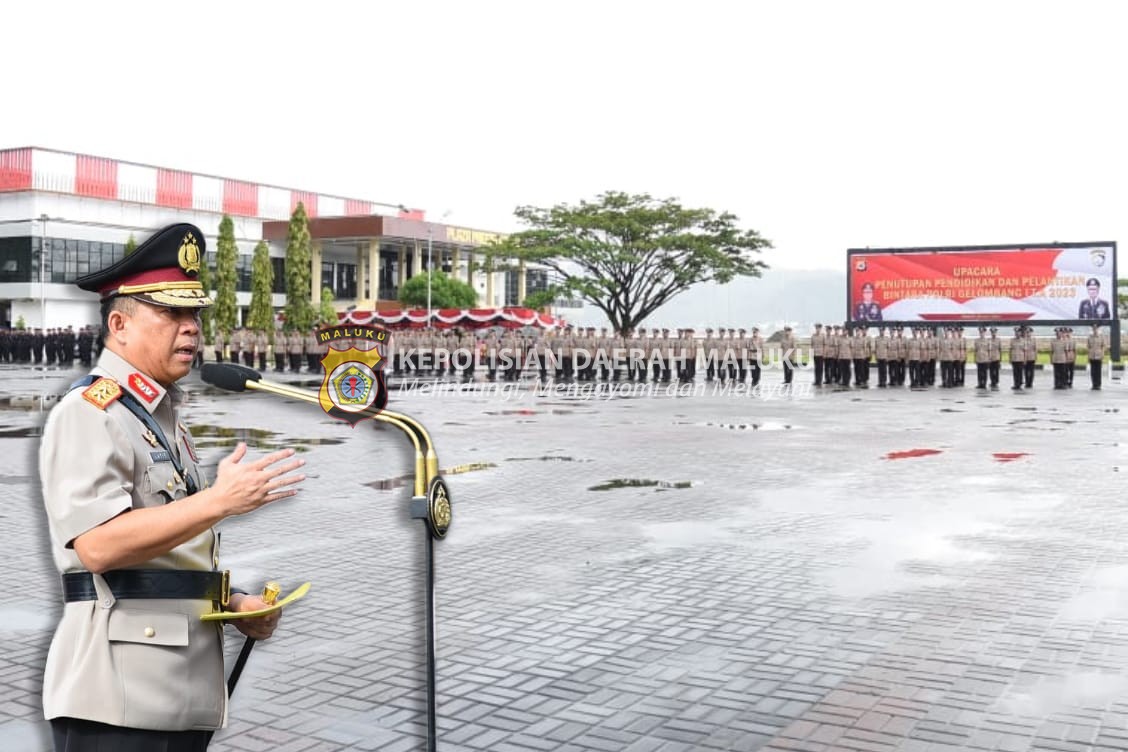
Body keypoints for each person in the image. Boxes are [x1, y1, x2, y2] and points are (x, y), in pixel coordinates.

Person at [40, 223, 306, 751]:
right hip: (117, 698)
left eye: (194, 315)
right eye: (172, 314)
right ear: (119, 324)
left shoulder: (161, 417)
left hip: (175, 691)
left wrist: (234, 604)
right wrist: (220, 500)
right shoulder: (91, 413)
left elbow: (166, 558)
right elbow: (98, 545)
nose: (191, 328)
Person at [1088, 324, 1108, 389]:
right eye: (1094, 329)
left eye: (1096, 329)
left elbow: (1104, 346)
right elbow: (1088, 346)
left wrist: (1102, 354)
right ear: (1092, 330)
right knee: (1093, 371)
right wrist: (1089, 354)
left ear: (1098, 330)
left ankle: (1098, 385)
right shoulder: (1090, 337)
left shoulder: (1101, 337)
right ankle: (1094, 384)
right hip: (1092, 356)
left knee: (1098, 371)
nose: (1095, 330)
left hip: (1099, 355)